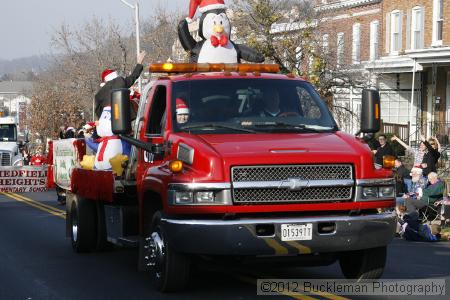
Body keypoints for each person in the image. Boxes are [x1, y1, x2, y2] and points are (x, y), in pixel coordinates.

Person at [94, 51, 146, 119]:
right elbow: (133, 76)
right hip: (124, 119)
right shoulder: (120, 82)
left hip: (107, 122)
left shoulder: (98, 95)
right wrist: (139, 63)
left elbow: (98, 112)